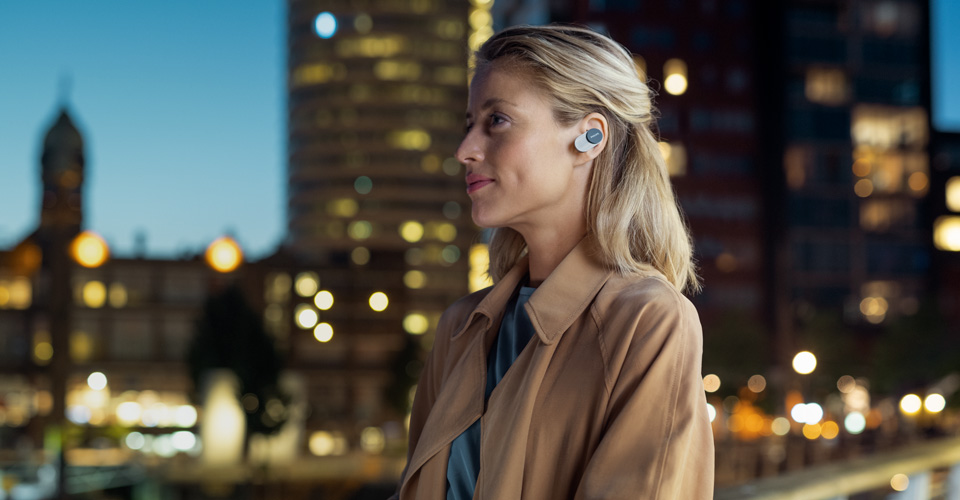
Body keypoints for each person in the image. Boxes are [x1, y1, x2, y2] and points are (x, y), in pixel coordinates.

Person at [391, 25, 714, 500]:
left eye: (496, 120)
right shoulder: (461, 328)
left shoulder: (648, 322)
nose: (465, 151)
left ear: (588, 136)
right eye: (468, 124)